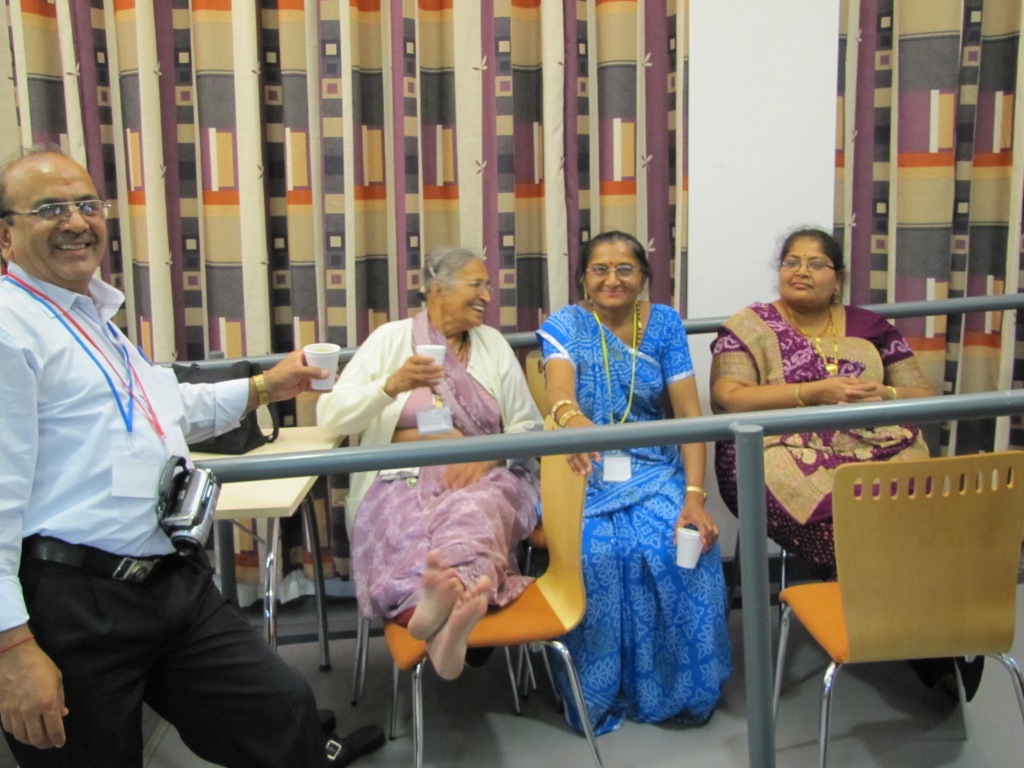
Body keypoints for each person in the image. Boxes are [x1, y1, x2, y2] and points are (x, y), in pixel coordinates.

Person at [0, 147, 384, 767]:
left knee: (282, 713)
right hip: (75, 604)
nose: (76, 221)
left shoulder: (91, 314)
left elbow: (164, 406)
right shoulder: (10, 329)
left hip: (169, 581)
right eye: (50, 209)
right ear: (5, 235)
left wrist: (266, 387)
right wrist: (12, 648)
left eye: (87, 204)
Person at [536, 230, 732, 736]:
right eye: (599, 269)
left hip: (652, 465)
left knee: (683, 548)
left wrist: (695, 498)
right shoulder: (566, 325)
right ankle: (597, 692)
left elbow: (689, 417)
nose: (612, 279)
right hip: (582, 465)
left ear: (643, 277)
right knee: (596, 556)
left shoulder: (663, 324)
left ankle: (680, 691)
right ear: (583, 278)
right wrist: (572, 421)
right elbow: (558, 389)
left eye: (625, 269)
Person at [316, 247, 543, 680]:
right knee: (404, 525)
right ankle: (442, 624)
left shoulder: (492, 345)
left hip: (480, 478)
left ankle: (435, 620)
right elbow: (330, 418)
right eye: (476, 285)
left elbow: (528, 426)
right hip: (399, 477)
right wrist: (391, 385)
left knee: (474, 513)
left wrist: (488, 455)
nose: (487, 296)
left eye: (487, 286)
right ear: (438, 290)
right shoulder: (390, 340)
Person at [709, 226, 933, 580]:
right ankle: (863, 592)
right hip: (779, 447)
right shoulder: (749, 326)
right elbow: (728, 398)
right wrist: (811, 393)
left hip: (873, 443)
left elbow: (921, 395)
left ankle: (909, 594)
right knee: (852, 532)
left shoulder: (871, 326)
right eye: (791, 262)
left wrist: (885, 393)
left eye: (815, 264)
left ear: (838, 277)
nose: (801, 271)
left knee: (920, 500)